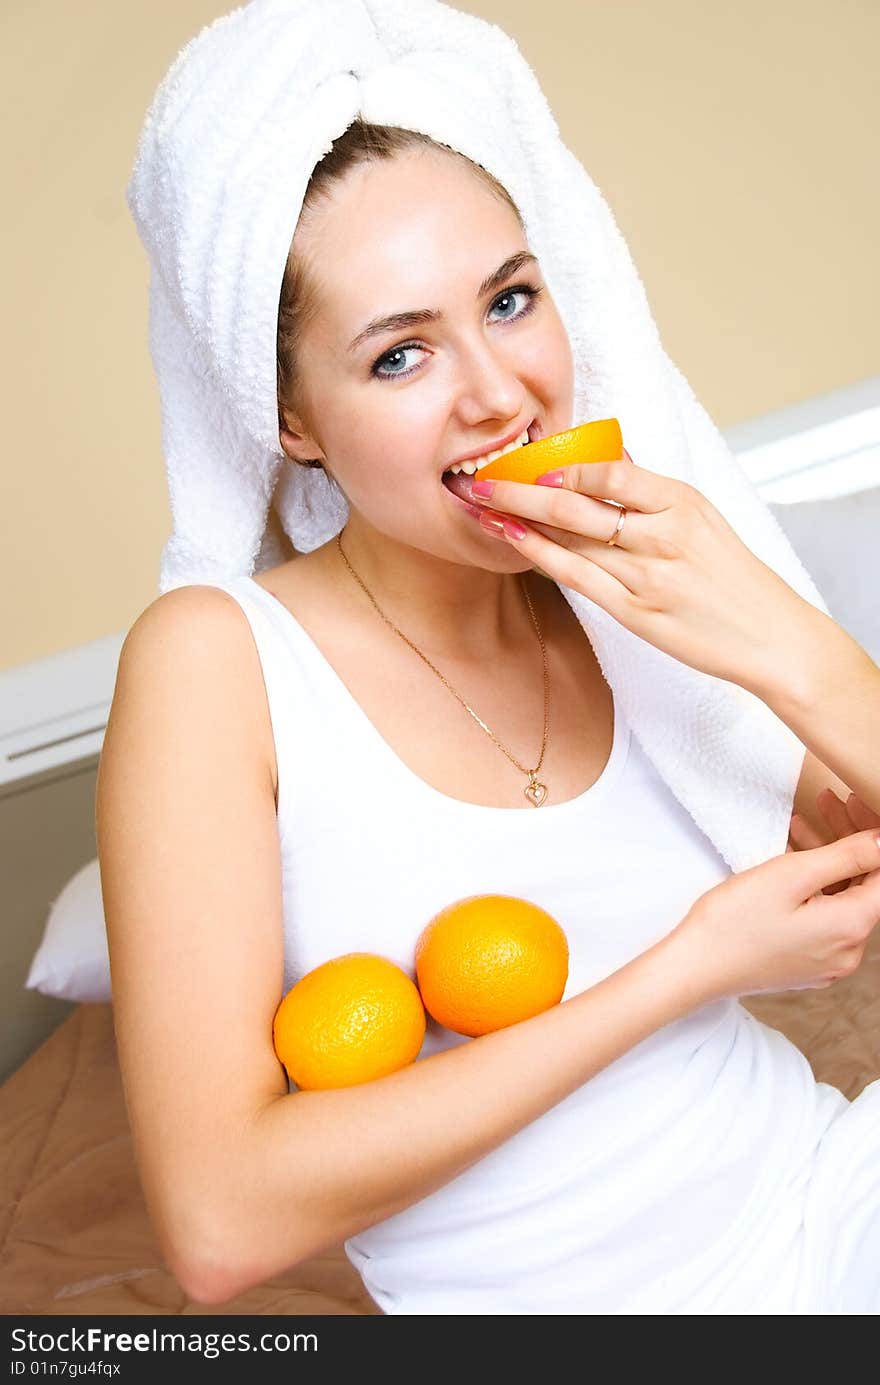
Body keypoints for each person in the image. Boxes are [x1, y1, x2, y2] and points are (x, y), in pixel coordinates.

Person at [96, 8, 880, 1316]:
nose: (498, 395)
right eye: (399, 352)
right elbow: (218, 1221)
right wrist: (684, 968)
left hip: (829, 1202)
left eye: (510, 299)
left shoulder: (628, 597)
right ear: (288, 415)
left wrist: (779, 631)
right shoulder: (217, 664)